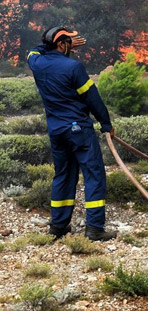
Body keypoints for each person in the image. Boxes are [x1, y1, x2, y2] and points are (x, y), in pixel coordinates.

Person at [27, 26, 117, 242]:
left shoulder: (37, 63)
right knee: (94, 174)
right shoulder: (73, 67)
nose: (72, 48)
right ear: (61, 45)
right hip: (79, 130)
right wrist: (106, 123)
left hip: (56, 131)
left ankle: (58, 226)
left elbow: (33, 51)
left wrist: (53, 41)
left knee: (63, 175)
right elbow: (92, 98)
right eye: (68, 44)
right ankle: (94, 228)